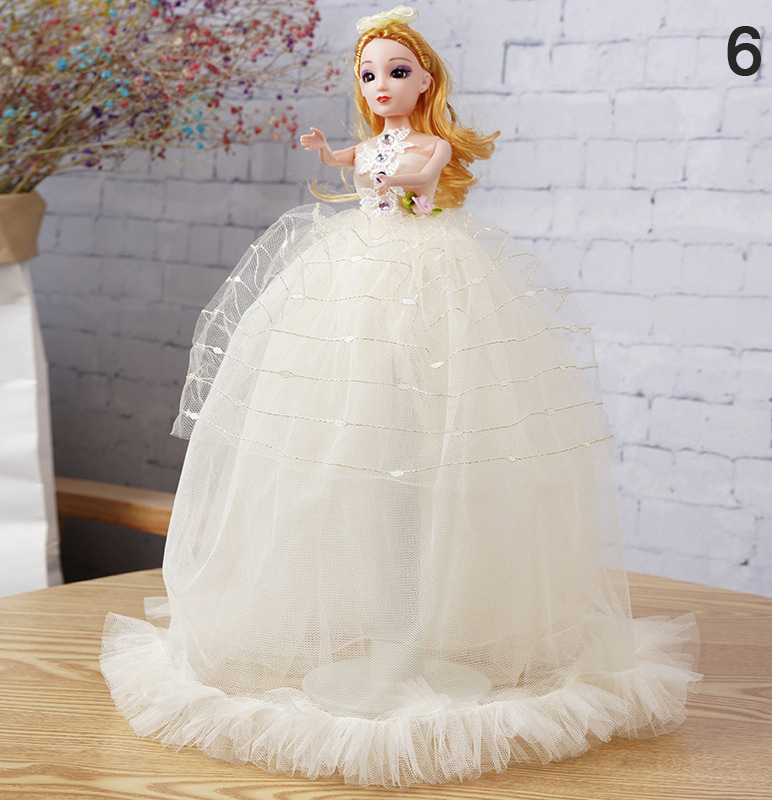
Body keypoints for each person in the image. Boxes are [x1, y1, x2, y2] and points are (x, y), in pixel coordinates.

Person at [100, 6, 701, 789]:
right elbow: (357, 159)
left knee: (433, 427)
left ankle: (415, 638)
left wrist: (387, 172)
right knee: (356, 424)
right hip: (359, 274)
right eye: (368, 74)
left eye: (397, 71)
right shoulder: (374, 144)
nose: (381, 85)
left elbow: (418, 176)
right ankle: (389, 637)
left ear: (425, 80)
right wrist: (331, 152)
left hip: (435, 276)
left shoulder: (429, 144)